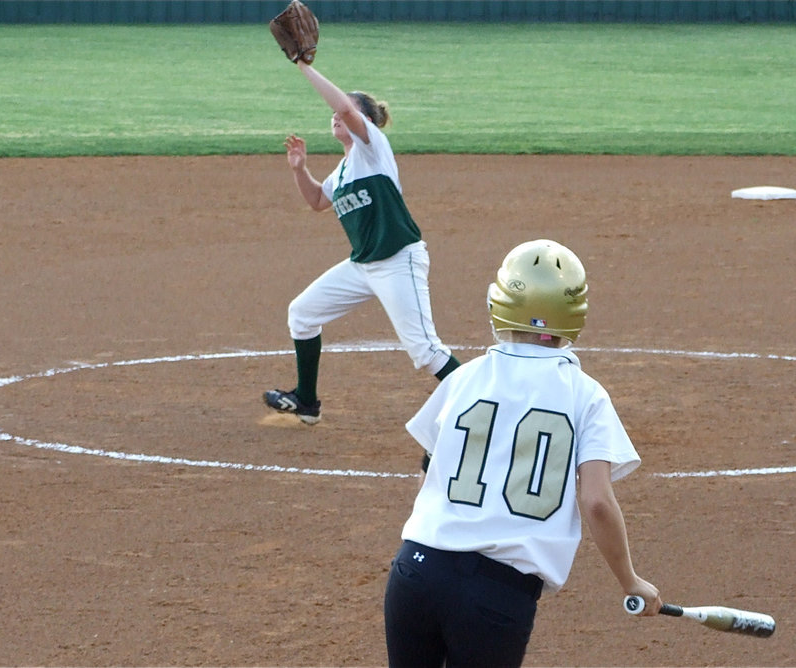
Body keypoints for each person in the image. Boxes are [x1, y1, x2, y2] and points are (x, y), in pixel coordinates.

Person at [383, 239, 662, 668]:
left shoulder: (464, 378)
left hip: (415, 571)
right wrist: (630, 581)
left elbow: (428, 474)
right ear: (575, 315)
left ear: (499, 302)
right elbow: (597, 502)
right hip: (494, 596)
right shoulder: (585, 395)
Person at [263, 60, 458, 425]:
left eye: (346, 112)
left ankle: (484, 405)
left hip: (399, 259)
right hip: (363, 265)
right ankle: (307, 401)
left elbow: (345, 108)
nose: (337, 117)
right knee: (302, 315)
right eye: (336, 114)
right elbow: (319, 202)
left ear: (365, 121)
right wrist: (299, 169)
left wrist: (305, 67)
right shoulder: (342, 170)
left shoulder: (372, 148)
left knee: (426, 351)